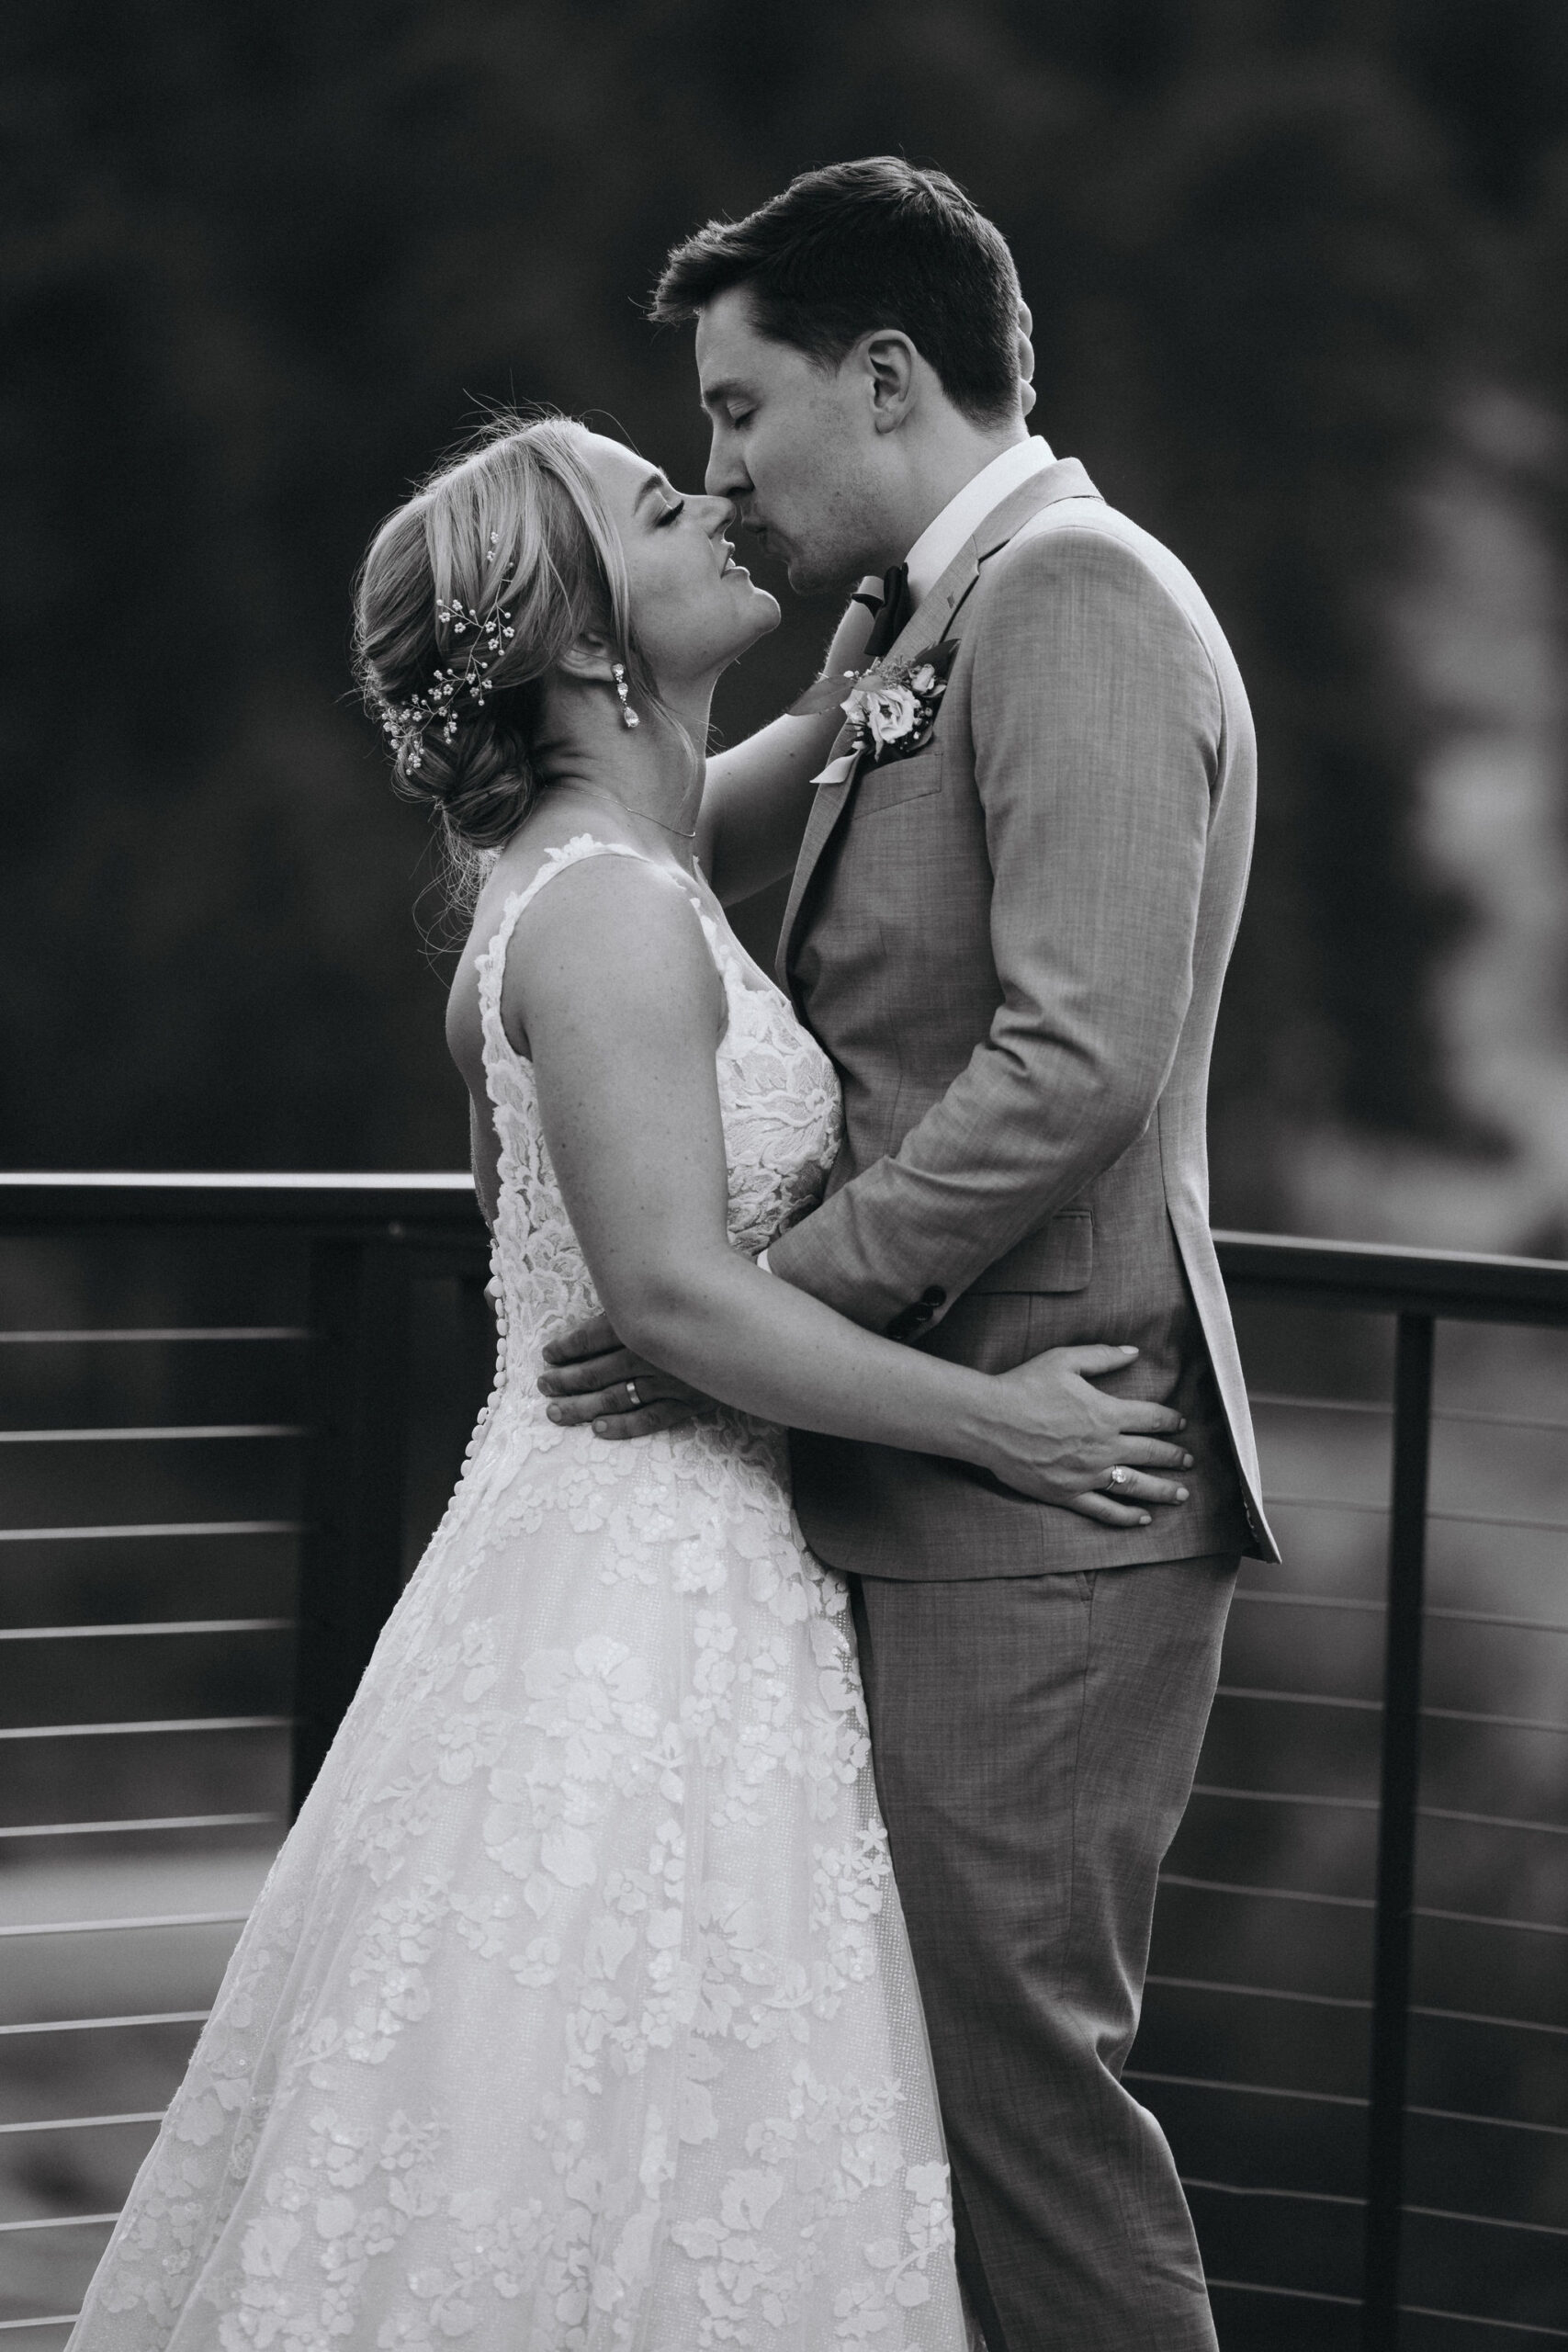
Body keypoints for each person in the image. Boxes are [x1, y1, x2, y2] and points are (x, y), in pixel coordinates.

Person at [67, 403, 1195, 2349]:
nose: (717, 497)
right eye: (663, 502)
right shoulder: (600, 913)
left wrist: (891, 619)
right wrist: (1003, 1422)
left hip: (665, 1558)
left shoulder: (625, 852)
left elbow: (782, 763)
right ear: (588, 637)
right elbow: (671, 1300)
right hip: (633, 1582)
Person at [541, 158, 1280, 2351]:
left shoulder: (1075, 602)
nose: (720, 471)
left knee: (1016, 2105)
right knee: (897, 2111)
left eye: (735, 408)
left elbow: (1074, 1060)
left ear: (881, 379)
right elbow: (637, 844)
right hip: (928, 1480)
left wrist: (754, 1315)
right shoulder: (912, 623)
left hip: (1047, 1494)